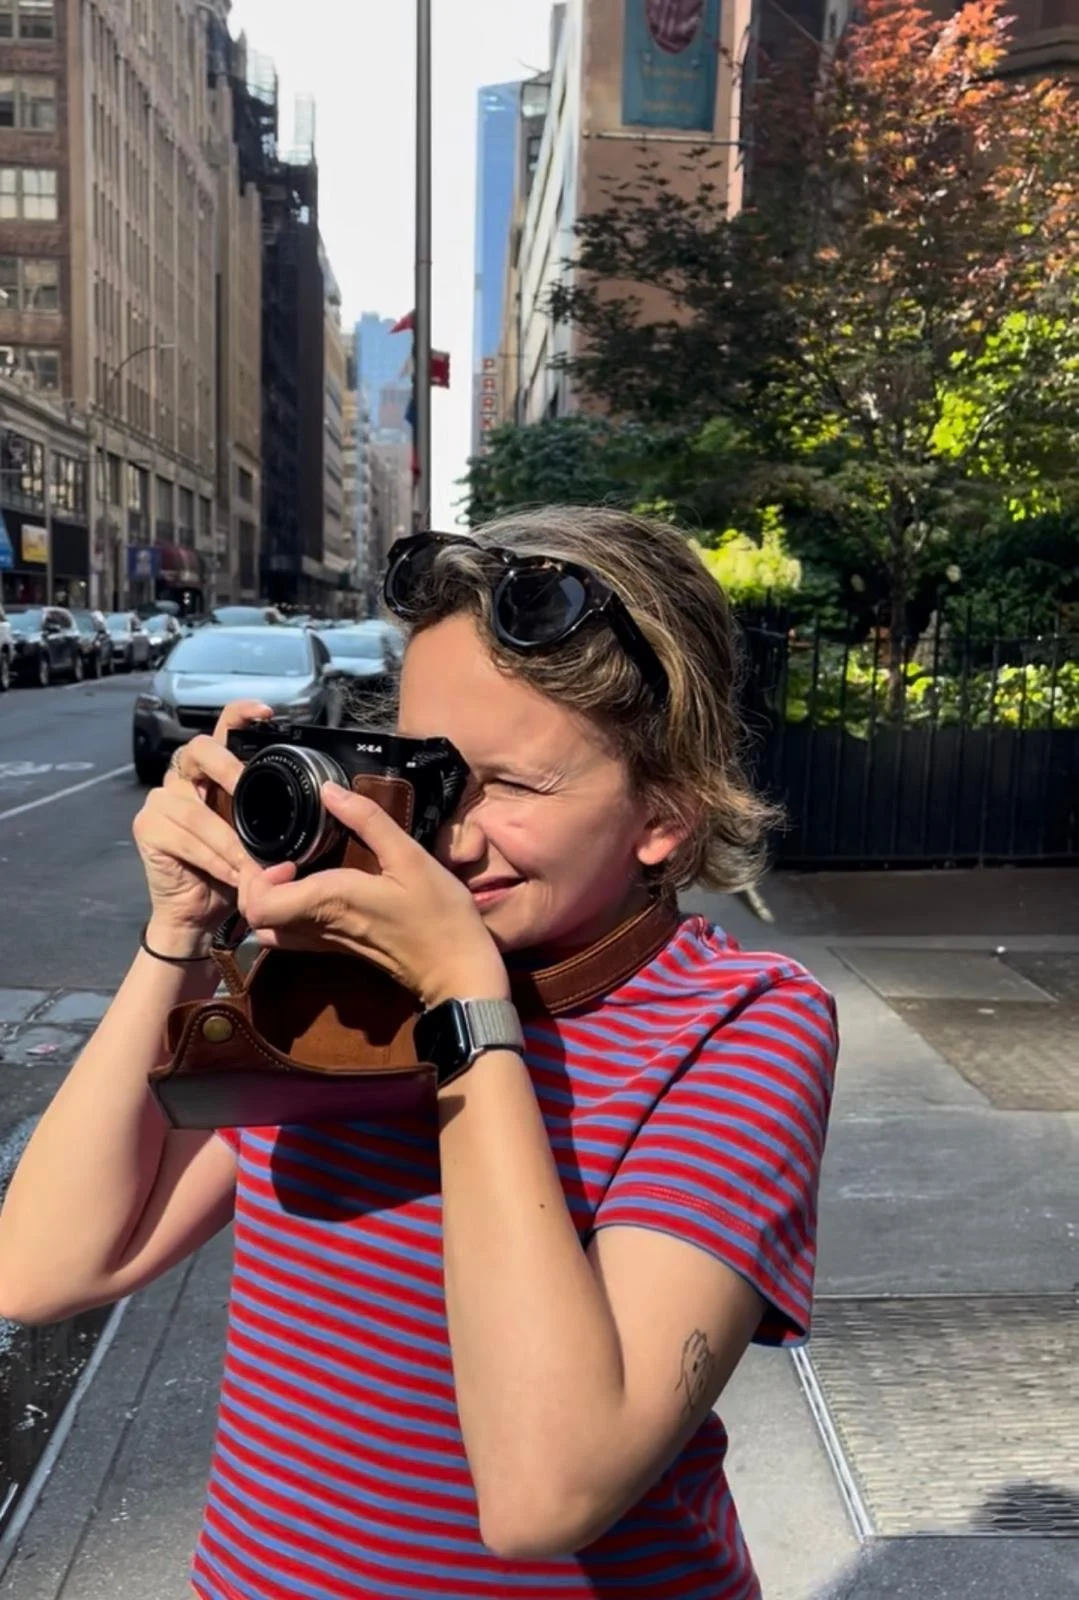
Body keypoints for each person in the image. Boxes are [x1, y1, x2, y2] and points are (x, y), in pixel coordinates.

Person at [0, 508, 838, 1600]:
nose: (448, 831)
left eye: (518, 786)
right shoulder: (336, 977)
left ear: (664, 814)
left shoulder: (740, 1024)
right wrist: (182, 931)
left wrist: (462, 1006)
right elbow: (46, 1266)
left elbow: (546, 1491)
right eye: (432, 768)